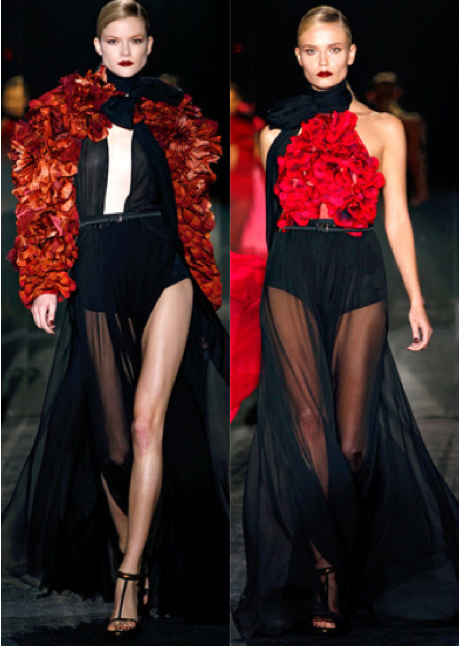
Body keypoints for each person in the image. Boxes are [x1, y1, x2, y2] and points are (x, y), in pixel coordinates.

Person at [2, 0, 229, 638]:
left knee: (146, 423)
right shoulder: (58, 113)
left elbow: (191, 208)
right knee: (114, 444)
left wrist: (202, 278)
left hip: (162, 267)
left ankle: (129, 575)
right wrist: (45, 282)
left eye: (135, 40)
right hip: (98, 265)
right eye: (114, 40)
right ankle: (137, 550)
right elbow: (40, 201)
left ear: (149, 45)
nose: (125, 51)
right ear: (97, 46)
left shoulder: (174, 113)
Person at [232, 5, 459, 638]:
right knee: (308, 423)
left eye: (334, 49)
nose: (324, 60)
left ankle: (348, 563)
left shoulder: (384, 129)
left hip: (358, 270)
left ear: (352, 54)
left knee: (352, 445)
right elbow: (268, 224)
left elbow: (397, 218)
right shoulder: (275, 133)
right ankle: (326, 573)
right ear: (298, 56)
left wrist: (416, 299)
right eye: (312, 50)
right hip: (293, 274)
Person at [366, 71, 428, 206]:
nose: (384, 99)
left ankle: (419, 191)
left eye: (386, 94)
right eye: (382, 95)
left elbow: (415, 156)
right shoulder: (365, 122)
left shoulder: (409, 122)